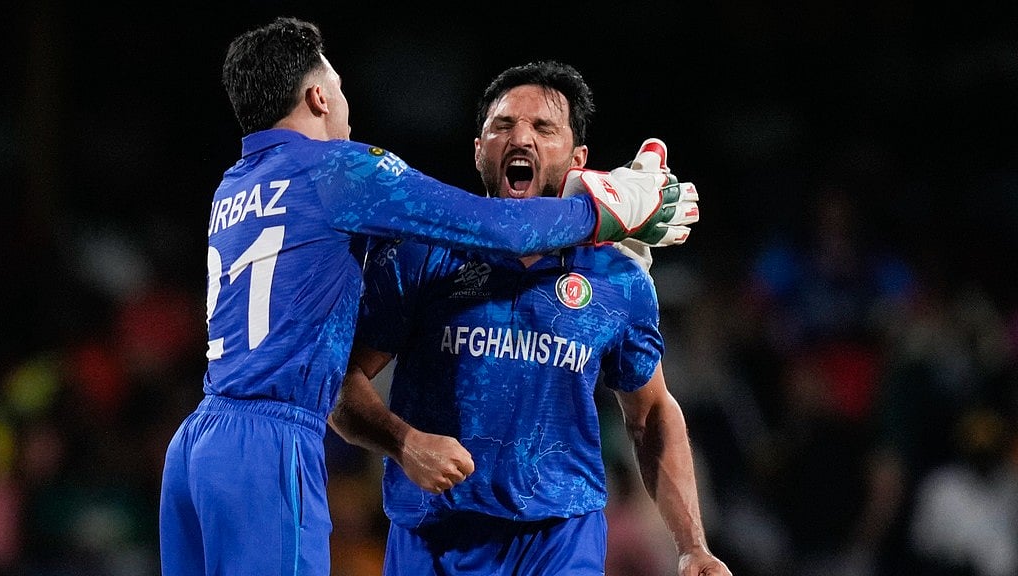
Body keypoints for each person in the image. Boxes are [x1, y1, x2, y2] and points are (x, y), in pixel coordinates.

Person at [157, 18, 697, 576]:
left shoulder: (236, 182)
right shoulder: (344, 170)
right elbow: (504, 230)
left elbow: (652, 412)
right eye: (339, 84)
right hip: (272, 443)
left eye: (542, 127)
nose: (347, 100)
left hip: (201, 438)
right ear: (318, 95)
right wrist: (618, 204)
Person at [330, 60, 730, 576]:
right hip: (434, 540)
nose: (521, 138)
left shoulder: (618, 277)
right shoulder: (422, 253)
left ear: (579, 160)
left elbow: (651, 414)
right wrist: (403, 443)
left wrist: (692, 544)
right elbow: (342, 386)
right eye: (503, 126)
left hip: (560, 542)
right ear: (479, 150)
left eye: (544, 128)